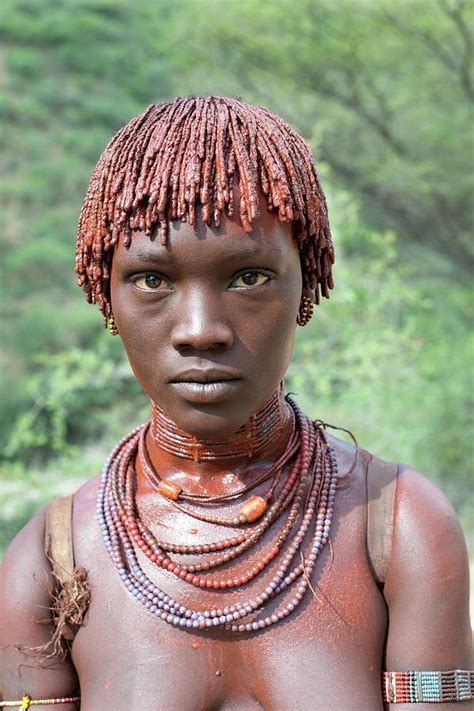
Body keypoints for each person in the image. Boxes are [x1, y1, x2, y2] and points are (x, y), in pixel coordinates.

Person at [0, 95, 471, 710]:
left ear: (308, 284)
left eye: (248, 276)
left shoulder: (399, 528)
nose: (201, 329)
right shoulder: (53, 559)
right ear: (105, 296)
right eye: (152, 279)